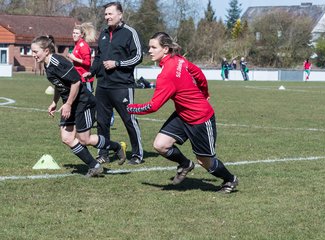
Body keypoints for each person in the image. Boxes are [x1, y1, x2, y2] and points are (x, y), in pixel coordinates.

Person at [127, 32, 239, 193]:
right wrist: (204, 93)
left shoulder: (166, 75)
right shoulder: (179, 60)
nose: (149, 51)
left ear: (165, 49)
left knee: (204, 161)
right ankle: (185, 164)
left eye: (153, 47)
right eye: (149, 47)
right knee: (160, 145)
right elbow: (199, 75)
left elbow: (153, 106)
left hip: (200, 118)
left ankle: (230, 179)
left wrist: (130, 108)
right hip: (182, 115)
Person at [31, 35, 126, 177]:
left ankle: (116, 147)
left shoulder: (58, 62)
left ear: (46, 51)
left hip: (83, 103)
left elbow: (75, 82)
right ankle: (94, 166)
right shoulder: (47, 64)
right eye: (32, 52)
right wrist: (54, 102)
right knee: (67, 138)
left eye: (35, 51)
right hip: (70, 104)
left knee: (84, 139)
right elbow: (59, 84)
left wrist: (68, 104)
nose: (33, 55)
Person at [83, 2, 144, 165]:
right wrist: (92, 71)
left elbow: (138, 56)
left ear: (120, 14)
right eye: (106, 14)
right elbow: (98, 57)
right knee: (102, 122)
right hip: (102, 85)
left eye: (110, 14)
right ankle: (103, 154)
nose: (107, 17)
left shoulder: (130, 33)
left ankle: (137, 154)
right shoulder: (103, 33)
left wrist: (117, 63)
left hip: (122, 85)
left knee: (129, 120)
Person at [67, 22, 96, 92]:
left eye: (77, 33)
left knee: (86, 102)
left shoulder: (83, 46)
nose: (74, 35)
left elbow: (87, 62)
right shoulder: (77, 45)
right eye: (73, 33)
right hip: (78, 78)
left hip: (85, 79)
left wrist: (74, 58)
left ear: (82, 35)